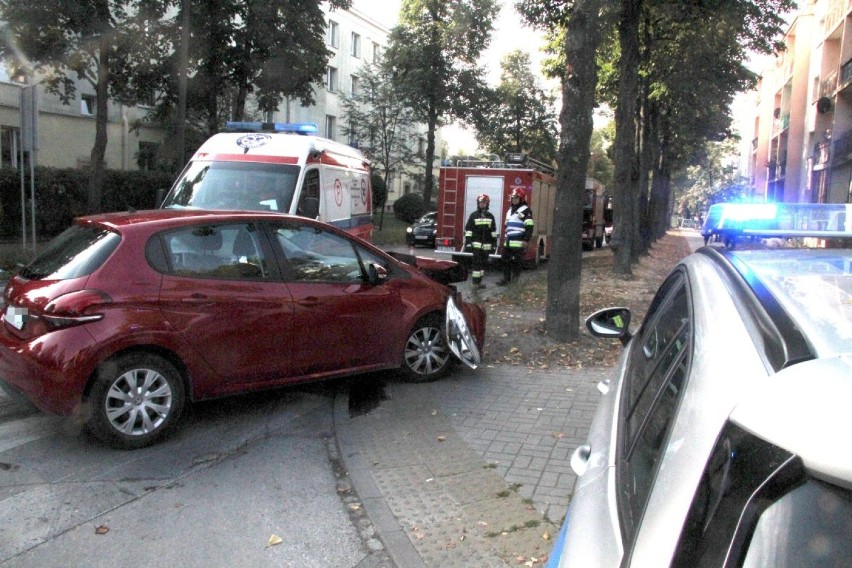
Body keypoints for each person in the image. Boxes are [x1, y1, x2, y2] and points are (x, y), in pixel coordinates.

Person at [497, 188, 534, 286]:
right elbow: (507, 226)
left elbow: (529, 226)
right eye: (512, 198)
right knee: (505, 260)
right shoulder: (509, 211)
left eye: (516, 198)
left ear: (521, 199)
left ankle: (514, 282)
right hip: (508, 241)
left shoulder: (526, 210)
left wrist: (526, 240)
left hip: (519, 241)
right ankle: (506, 280)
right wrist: (505, 238)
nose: (513, 200)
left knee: (517, 263)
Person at [463, 193, 498, 289]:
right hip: (476, 245)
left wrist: (494, 243)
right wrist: (469, 243)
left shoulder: (490, 216)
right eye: (480, 202)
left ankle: (479, 282)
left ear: (487, 204)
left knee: (483, 265)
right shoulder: (473, 215)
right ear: (478, 203)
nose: (482, 204)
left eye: (484, 202)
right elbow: (468, 230)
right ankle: (475, 283)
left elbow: (493, 231)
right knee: (476, 265)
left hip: (486, 246)